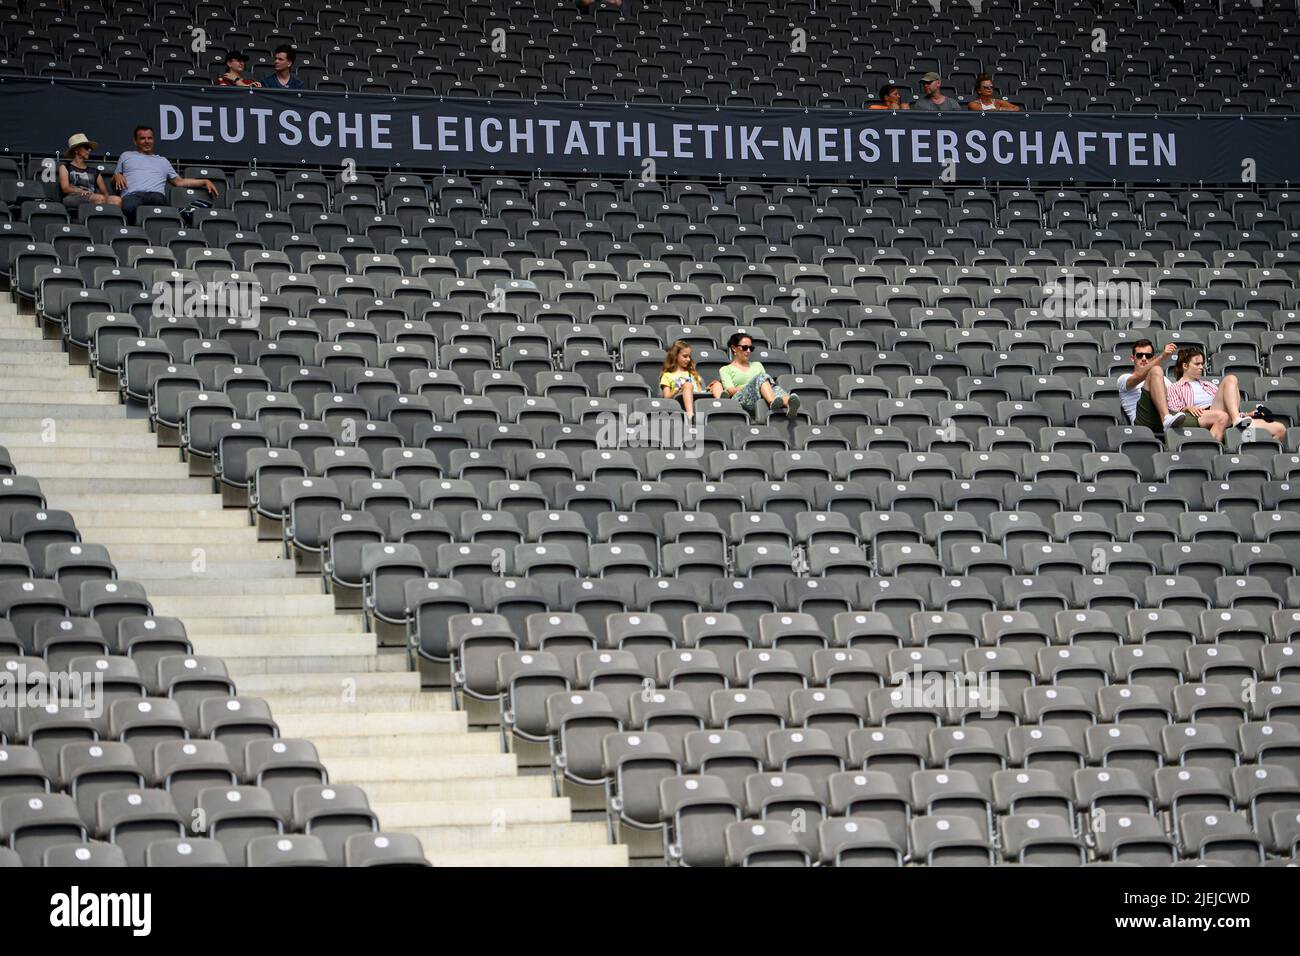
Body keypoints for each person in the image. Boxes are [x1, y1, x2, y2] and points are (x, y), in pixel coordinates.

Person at [1165, 347, 1286, 443]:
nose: (1201, 367)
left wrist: (1248, 414)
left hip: (1227, 417)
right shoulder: (1175, 387)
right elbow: (1173, 412)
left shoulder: (1209, 385)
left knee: (1280, 429)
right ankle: (1235, 424)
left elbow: (1228, 405)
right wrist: (1187, 408)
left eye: (1202, 364)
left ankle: (1241, 429)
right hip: (1204, 415)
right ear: (1185, 366)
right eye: (1197, 364)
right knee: (1230, 379)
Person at [112, 125, 219, 224]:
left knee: (160, 203)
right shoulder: (126, 156)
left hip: (155, 196)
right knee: (129, 206)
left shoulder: (163, 161)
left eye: (149, 138)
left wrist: (204, 181)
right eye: (142, 138)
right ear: (135, 141)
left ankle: (176, 215)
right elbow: (114, 181)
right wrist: (117, 175)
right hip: (133, 196)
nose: (147, 141)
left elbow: (179, 182)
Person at [719, 333, 799, 419]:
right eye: (745, 347)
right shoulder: (725, 369)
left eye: (751, 348)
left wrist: (757, 385)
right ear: (734, 348)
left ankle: (789, 404)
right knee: (761, 378)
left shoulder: (757, 365)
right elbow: (730, 390)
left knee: (775, 388)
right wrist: (753, 385)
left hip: (759, 396)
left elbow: (766, 385)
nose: (748, 351)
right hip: (741, 399)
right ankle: (772, 402)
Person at [1116, 339, 1183, 433]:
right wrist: (1162, 356)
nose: (1144, 358)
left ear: (1152, 358)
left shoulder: (1163, 379)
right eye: (1139, 355)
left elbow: (1175, 398)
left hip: (1161, 419)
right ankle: (1166, 418)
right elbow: (1138, 376)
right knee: (1156, 370)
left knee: (1208, 417)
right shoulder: (1124, 378)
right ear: (1132, 358)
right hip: (1141, 422)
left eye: (1148, 356)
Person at [659, 340, 722, 419]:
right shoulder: (667, 375)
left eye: (689, 356)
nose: (688, 359)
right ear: (675, 356)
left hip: (698, 397)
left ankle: (721, 407)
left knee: (717, 384)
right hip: (680, 400)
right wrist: (677, 390)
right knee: (688, 385)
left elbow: (699, 390)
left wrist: (709, 388)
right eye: (685, 356)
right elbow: (666, 397)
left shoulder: (692, 373)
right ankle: (690, 415)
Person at [58, 133, 120, 209]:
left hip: (93, 197)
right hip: (72, 197)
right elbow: (65, 188)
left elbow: (104, 192)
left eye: (90, 148)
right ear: (76, 150)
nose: (90, 150)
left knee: (117, 200)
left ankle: (110, 219)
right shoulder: (65, 167)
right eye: (86, 147)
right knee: (99, 198)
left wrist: (108, 200)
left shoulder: (94, 171)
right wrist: (80, 191)